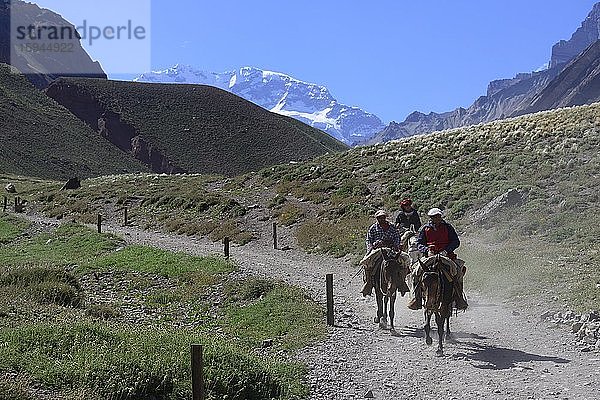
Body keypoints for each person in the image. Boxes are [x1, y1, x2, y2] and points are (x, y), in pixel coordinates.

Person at [407, 207, 468, 310]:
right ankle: (416, 299)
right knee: (416, 272)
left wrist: (446, 250)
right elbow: (420, 243)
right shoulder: (425, 228)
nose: (436, 219)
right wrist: (427, 250)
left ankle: (459, 298)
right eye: (434, 217)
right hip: (430, 256)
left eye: (438, 216)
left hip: (446, 255)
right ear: (430, 218)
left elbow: (455, 241)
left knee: (458, 271)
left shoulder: (448, 227)